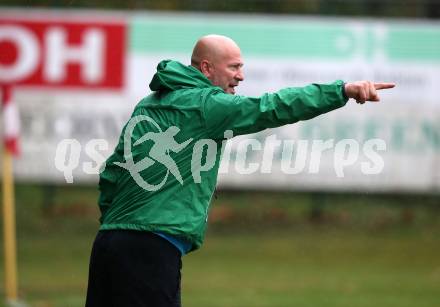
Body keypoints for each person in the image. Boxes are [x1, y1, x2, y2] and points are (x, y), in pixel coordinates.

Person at [85, 34, 395, 307]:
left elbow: (113, 172)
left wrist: (117, 224)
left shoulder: (148, 104)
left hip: (108, 244)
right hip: (151, 249)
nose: (241, 76)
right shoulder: (208, 104)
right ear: (207, 68)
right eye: (234, 67)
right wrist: (341, 91)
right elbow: (272, 106)